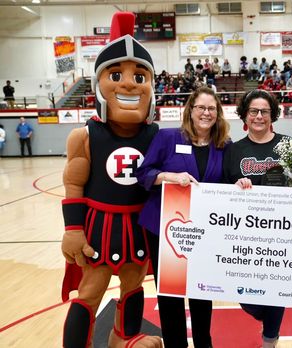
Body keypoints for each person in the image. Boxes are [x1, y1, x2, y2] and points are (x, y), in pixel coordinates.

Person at [60, 12, 162, 348]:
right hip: (98, 228)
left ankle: (125, 337)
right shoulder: (84, 135)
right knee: (91, 290)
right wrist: (73, 229)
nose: (129, 83)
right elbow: (73, 184)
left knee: (134, 286)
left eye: (140, 76)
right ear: (98, 84)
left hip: (138, 225)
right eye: (116, 74)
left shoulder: (155, 135)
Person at [137, 86, 231, 348]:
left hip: (204, 231)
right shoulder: (168, 138)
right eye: (201, 107)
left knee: (202, 292)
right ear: (190, 110)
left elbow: (228, 182)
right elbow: (143, 173)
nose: (206, 113)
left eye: (211, 108)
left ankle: (204, 343)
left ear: (218, 113)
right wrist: (168, 177)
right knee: (170, 296)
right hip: (166, 229)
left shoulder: (224, 146)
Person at [222, 89, 287, 348]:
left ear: (272, 115)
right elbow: (222, 189)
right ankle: (262, 313)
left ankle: (270, 339)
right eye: (253, 111)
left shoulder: (289, 146)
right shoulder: (233, 151)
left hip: (282, 231)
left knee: (276, 289)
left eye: (264, 112)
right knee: (247, 297)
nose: (259, 116)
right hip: (244, 233)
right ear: (244, 116)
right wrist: (236, 185)